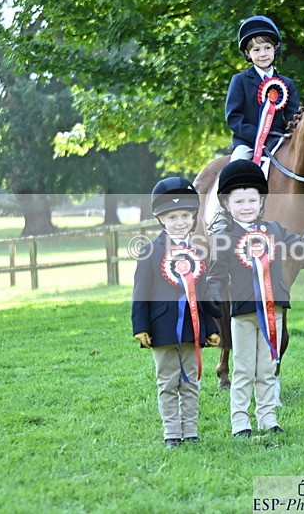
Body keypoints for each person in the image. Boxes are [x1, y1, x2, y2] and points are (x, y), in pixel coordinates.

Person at [205, 161, 304, 437]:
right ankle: (240, 421)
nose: (246, 207)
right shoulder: (225, 237)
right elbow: (216, 274)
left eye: (252, 201)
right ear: (227, 204)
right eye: (239, 201)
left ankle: (267, 416)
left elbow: (303, 244)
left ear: (262, 202)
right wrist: (211, 296)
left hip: (273, 311)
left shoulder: (275, 231)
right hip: (243, 313)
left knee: (268, 367)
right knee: (244, 369)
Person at [131, 176, 222, 447]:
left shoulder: (198, 252)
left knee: (191, 382)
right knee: (168, 382)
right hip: (162, 328)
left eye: (185, 215)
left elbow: (202, 294)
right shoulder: (149, 251)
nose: (180, 222)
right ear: (161, 220)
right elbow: (141, 293)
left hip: (193, 329)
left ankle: (190, 430)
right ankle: (172, 432)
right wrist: (141, 326)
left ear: (193, 217)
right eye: (173, 217)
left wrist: (212, 328)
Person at [226, 15, 300, 162]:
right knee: (236, 167)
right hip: (248, 144)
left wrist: (288, 136)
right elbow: (234, 117)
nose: (263, 54)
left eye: (267, 48)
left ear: (275, 48)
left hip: (280, 142)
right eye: (256, 50)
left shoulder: (287, 83)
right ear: (247, 53)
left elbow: (295, 118)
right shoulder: (239, 80)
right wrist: (260, 136)